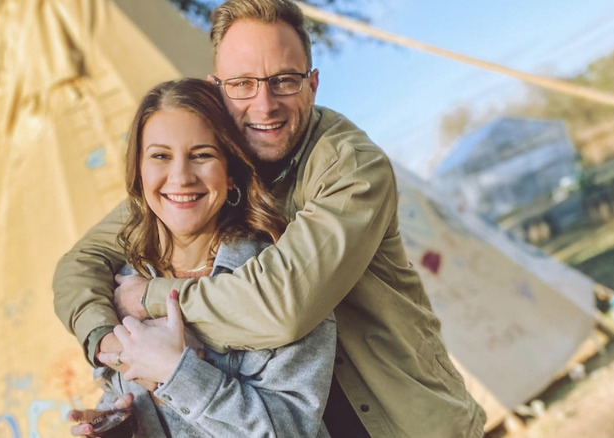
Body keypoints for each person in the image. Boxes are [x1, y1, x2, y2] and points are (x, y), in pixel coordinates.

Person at [53, 0, 487, 436]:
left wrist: (151, 301)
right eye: (242, 83)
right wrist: (111, 347)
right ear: (217, 90)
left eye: (284, 81)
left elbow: (283, 307)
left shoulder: (352, 168)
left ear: (313, 85)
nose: (264, 105)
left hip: (404, 421)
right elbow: (80, 263)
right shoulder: (202, 179)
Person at [66, 78, 335, 437]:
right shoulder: (122, 286)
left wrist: (174, 373)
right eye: (160, 156)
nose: (180, 177)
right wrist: (119, 425)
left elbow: (292, 431)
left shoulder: (281, 276)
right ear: (139, 173)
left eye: (202, 155)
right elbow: (127, 396)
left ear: (231, 172)